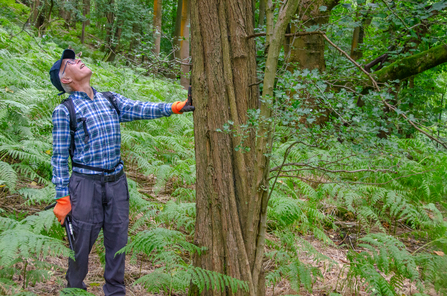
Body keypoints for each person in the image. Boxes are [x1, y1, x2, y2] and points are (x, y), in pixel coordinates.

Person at [49, 49, 194, 295]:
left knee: (117, 241)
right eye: (70, 62)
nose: (79, 60)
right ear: (66, 80)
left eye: (76, 57)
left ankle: (115, 291)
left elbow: (141, 108)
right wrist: (62, 197)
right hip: (85, 186)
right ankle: (74, 289)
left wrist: (176, 106)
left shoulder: (110, 100)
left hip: (116, 183)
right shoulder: (65, 111)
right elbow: (60, 157)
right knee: (81, 245)